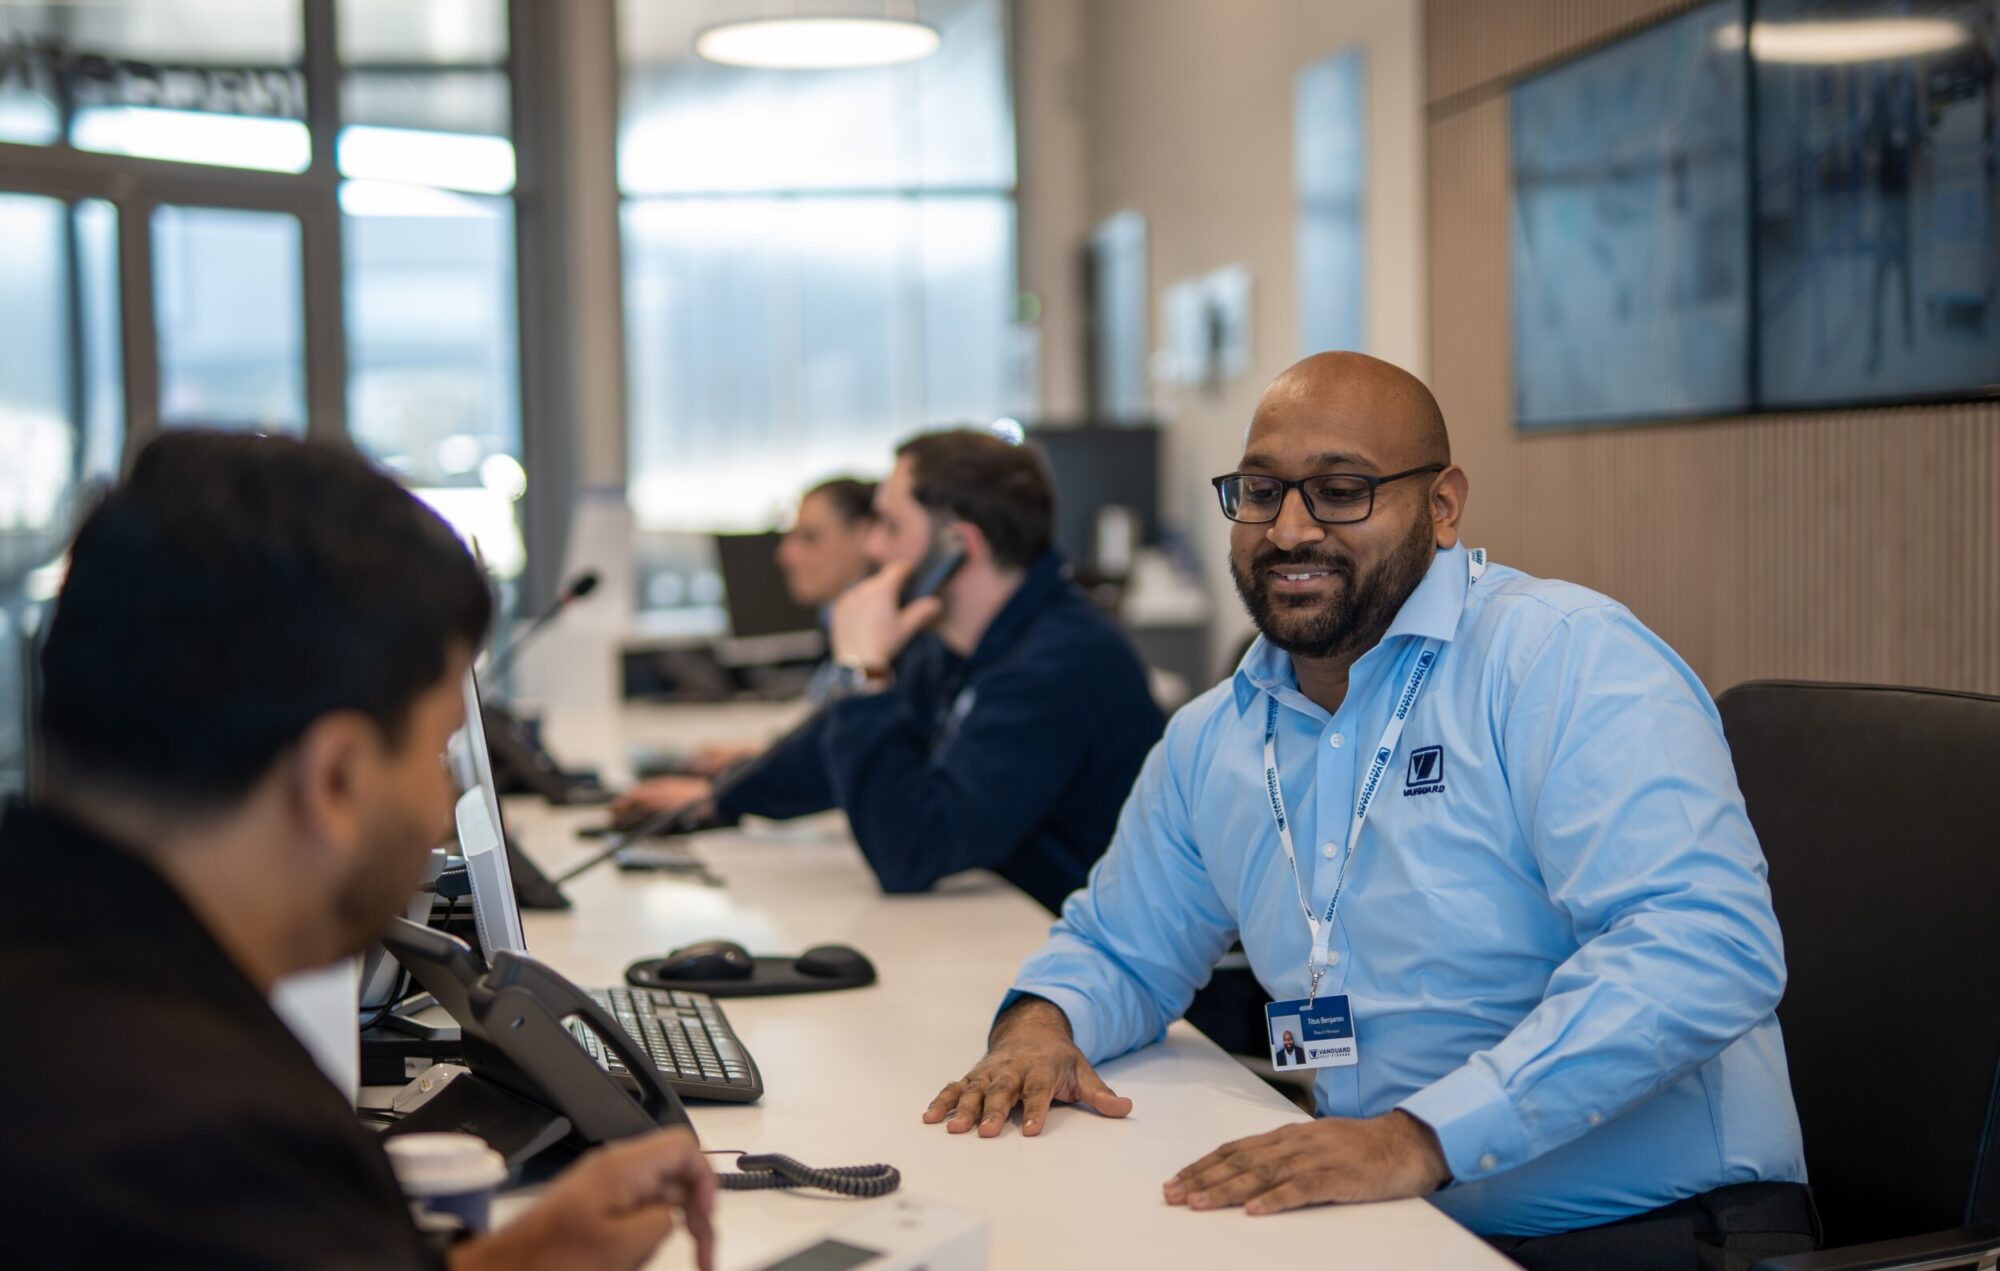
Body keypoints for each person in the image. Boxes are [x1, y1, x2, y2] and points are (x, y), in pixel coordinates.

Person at [920, 354, 1813, 1267]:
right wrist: (1040, 1028)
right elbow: (1116, 946)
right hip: (1384, 1226)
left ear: (1443, 505)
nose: (1290, 528)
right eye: (1261, 490)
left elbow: (1704, 944)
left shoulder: (1564, 662)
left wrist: (1417, 1137)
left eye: (1342, 490)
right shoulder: (1217, 737)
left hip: (1645, 1233)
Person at [0, 432, 717, 1270]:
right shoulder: (212, 1148)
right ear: (334, 778)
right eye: (436, 754)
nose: (444, 808)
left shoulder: (72, 1013)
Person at [614, 429, 1164, 914]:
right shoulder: (955, 644)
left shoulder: (1058, 663)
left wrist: (865, 672)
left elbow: (913, 852)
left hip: (1093, 972)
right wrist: (720, 798)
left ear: (958, 546)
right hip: (1004, 927)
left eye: (891, 526)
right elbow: (827, 749)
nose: (873, 546)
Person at [657, 477, 879, 779]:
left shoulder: (881, 647)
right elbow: (819, 741)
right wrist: (757, 755)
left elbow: (835, 756)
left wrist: (718, 796)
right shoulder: (840, 637)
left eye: (809, 537)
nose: (785, 555)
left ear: (863, 536)